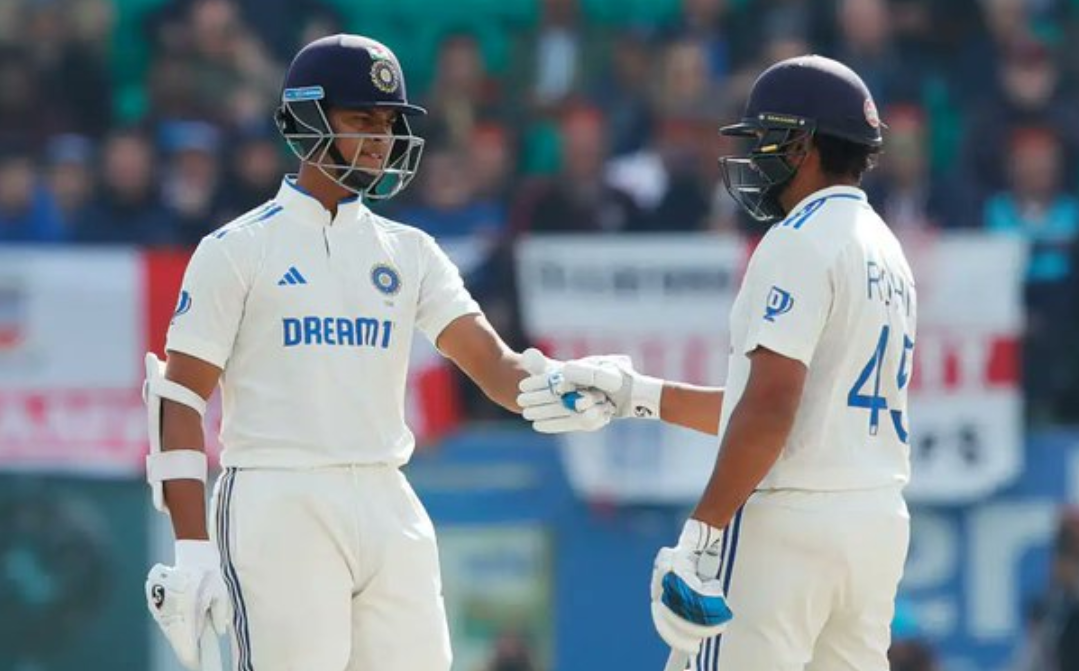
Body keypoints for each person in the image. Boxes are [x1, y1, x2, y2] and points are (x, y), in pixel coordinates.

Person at [141, 34, 556, 671]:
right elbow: (179, 398)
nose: (381, 138)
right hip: (278, 495)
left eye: (388, 123)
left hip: (388, 495)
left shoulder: (410, 250)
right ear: (307, 120)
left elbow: (496, 369)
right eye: (361, 119)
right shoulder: (235, 249)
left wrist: (575, 386)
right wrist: (192, 549)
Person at [519, 55, 917, 670]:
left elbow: (772, 405)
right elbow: (790, 410)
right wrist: (638, 394)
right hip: (874, 524)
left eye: (765, 140)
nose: (755, 158)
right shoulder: (886, 247)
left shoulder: (798, 238)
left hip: (789, 523)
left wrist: (703, 530)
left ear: (802, 143)